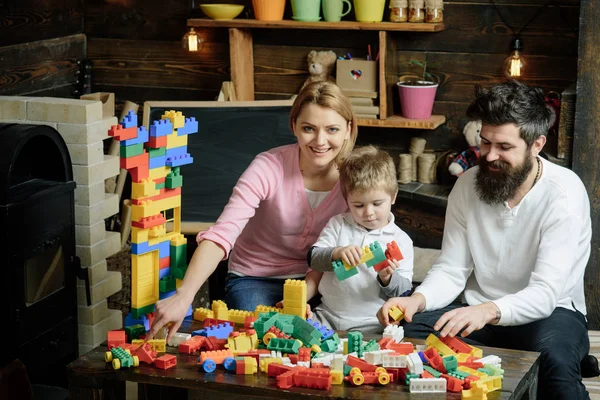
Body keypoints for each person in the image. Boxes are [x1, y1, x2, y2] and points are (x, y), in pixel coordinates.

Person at [376, 80, 593, 399]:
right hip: (479, 311)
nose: (490, 156)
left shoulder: (565, 194)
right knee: (410, 338)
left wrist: (486, 310)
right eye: (485, 142)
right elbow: (451, 270)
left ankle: (569, 356)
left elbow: (545, 293)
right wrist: (416, 300)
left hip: (551, 313)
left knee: (557, 368)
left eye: (504, 147)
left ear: (536, 144)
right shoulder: (467, 186)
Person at [148, 81, 358, 342]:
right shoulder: (268, 167)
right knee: (259, 339)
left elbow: (364, 236)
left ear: (348, 130)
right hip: (255, 277)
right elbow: (222, 235)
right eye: (308, 128)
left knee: (325, 342)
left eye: (332, 129)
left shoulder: (354, 178)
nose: (320, 141)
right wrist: (185, 294)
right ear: (294, 126)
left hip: (318, 281)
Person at [305, 145, 414, 333]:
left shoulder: (400, 240)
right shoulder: (338, 224)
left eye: (377, 203)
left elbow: (403, 291)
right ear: (346, 200)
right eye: (358, 205)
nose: (368, 213)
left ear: (393, 196)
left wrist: (387, 278)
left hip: (372, 322)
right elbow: (313, 258)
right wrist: (337, 253)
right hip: (327, 316)